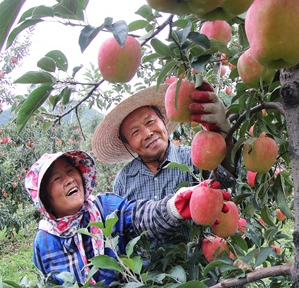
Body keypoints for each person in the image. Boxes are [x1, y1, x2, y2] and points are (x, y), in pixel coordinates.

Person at [24, 150, 229, 285]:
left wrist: (172, 209)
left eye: (70, 171)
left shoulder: (104, 208)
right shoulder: (44, 242)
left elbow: (139, 215)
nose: (69, 180)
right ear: (45, 199)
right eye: (57, 179)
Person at [92, 82, 239, 202]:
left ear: (163, 120)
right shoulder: (124, 181)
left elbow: (225, 178)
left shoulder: (192, 158)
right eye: (135, 132)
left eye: (150, 122)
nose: (147, 134)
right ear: (128, 144)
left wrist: (224, 133)